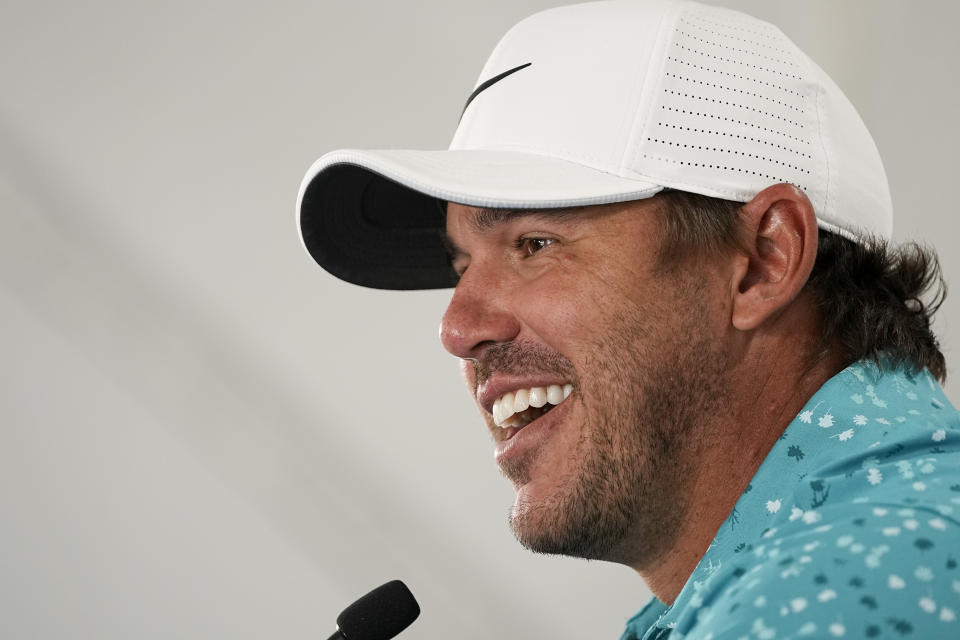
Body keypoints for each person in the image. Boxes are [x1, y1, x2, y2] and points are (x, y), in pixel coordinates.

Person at [296, 1, 960, 637]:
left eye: (534, 244)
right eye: (461, 265)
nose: (457, 328)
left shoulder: (821, 599)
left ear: (764, 261)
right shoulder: (859, 550)